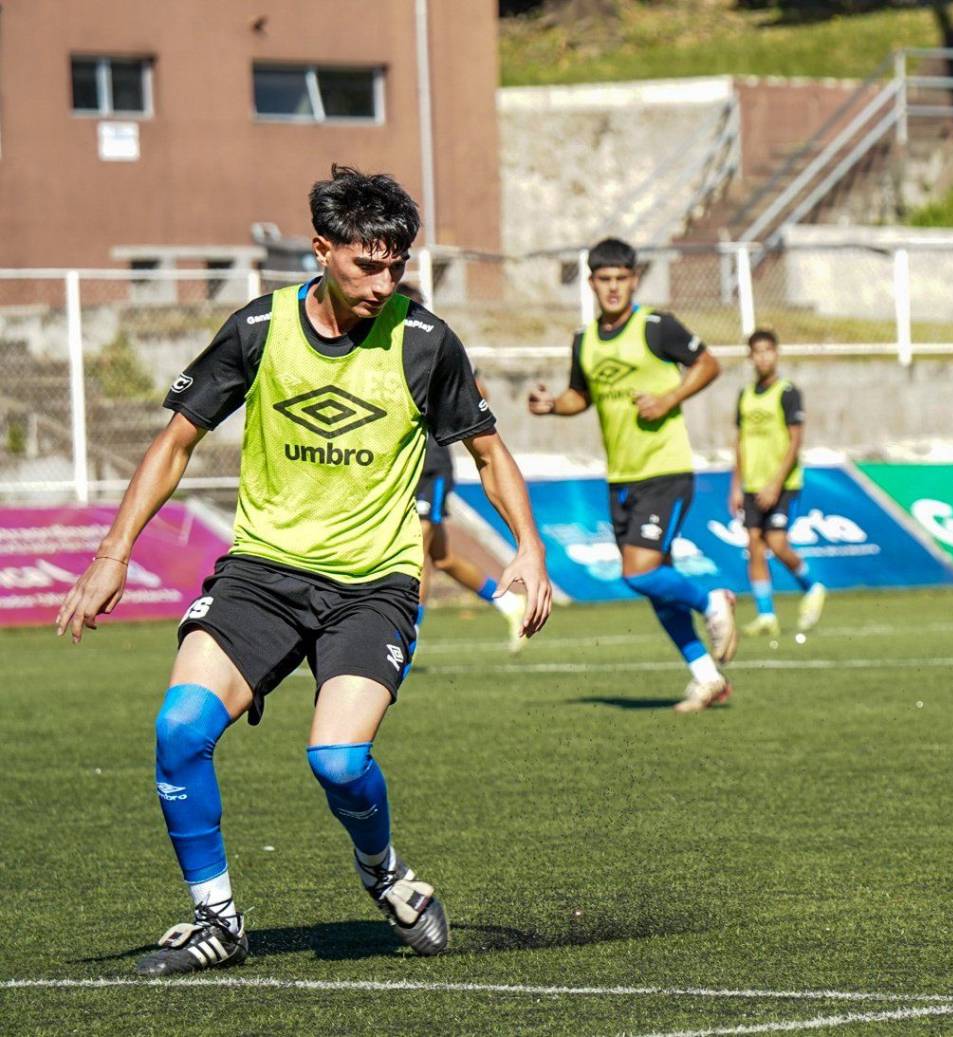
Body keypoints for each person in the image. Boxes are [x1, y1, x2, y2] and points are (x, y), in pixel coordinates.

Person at [54, 166, 554, 975]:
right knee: (179, 731)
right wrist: (114, 554)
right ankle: (217, 920)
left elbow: (490, 455)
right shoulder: (257, 329)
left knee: (338, 762)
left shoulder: (426, 341)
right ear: (321, 250)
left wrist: (528, 546)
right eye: (368, 264)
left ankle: (384, 873)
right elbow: (175, 443)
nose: (384, 282)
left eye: (397, 265)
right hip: (260, 576)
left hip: (372, 586)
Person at [527, 237, 737, 713]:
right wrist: (553, 404)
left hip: (665, 469)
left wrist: (668, 399)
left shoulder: (656, 326)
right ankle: (707, 678)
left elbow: (709, 364)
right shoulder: (584, 341)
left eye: (621, 279)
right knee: (657, 584)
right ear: (591, 283)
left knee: (638, 572)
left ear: (634, 280)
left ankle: (712, 600)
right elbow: (580, 396)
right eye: (605, 279)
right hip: (621, 478)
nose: (613, 287)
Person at [397, 282, 529, 651]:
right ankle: (507, 602)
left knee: (415, 555)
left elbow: (478, 392)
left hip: (430, 465)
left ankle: (405, 645)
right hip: (398, 466)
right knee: (440, 556)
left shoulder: (435, 345)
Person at [730, 329, 828, 637]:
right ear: (750, 357)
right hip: (751, 484)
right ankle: (766, 616)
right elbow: (740, 441)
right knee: (754, 546)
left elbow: (795, 441)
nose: (763, 357)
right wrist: (735, 485)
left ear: (776, 353)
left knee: (776, 543)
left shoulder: (787, 392)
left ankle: (812, 586)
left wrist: (775, 483)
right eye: (757, 352)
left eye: (767, 351)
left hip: (782, 484)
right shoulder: (745, 395)